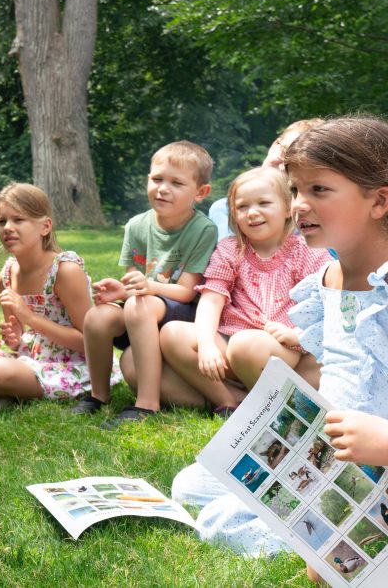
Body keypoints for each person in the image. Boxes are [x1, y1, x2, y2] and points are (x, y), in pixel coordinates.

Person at [169, 116, 388, 579]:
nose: (299, 204)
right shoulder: (326, 281)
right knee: (194, 486)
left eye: (319, 190)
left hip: (378, 454)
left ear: (379, 200)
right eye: (294, 190)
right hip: (334, 453)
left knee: (236, 527)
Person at [160, 166, 331, 414]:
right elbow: (211, 299)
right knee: (172, 334)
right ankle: (230, 403)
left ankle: (270, 407)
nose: (252, 213)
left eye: (263, 203)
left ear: (286, 208)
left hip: (284, 346)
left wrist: (297, 334)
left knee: (245, 344)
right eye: (242, 207)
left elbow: (326, 303)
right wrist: (206, 343)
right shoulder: (230, 249)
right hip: (231, 341)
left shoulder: (306, 250)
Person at [73, 140, 218, 427]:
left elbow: (188, 292)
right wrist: (121, 290)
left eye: (176, 183)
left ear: (200, 192)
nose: (163, 188)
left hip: (179, 313)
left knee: (141, 306)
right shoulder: (136, 226)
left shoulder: (203, 229)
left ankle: (147, 403)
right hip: (141, 306)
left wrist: (146, 289)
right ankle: (98, 395)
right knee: (98, 316)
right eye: (157, 179)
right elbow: (135, 284)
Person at [0, 183, 111, 417]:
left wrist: (29, 316)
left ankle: (3, 395)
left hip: (73, 365)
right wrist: (14, 338)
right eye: (2, 222)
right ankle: (1, 401)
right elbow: (17, 338)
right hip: (29, 358)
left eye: (18, 220)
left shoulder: (64, 271)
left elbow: (88, 342)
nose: (8, 228)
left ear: (45, 226)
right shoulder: (7, 276)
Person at [206, 119, 325, 240]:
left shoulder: (309, 220)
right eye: (286, 152)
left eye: (298, 163)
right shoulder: (223, 209)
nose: (283, 166)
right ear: (275, 144)